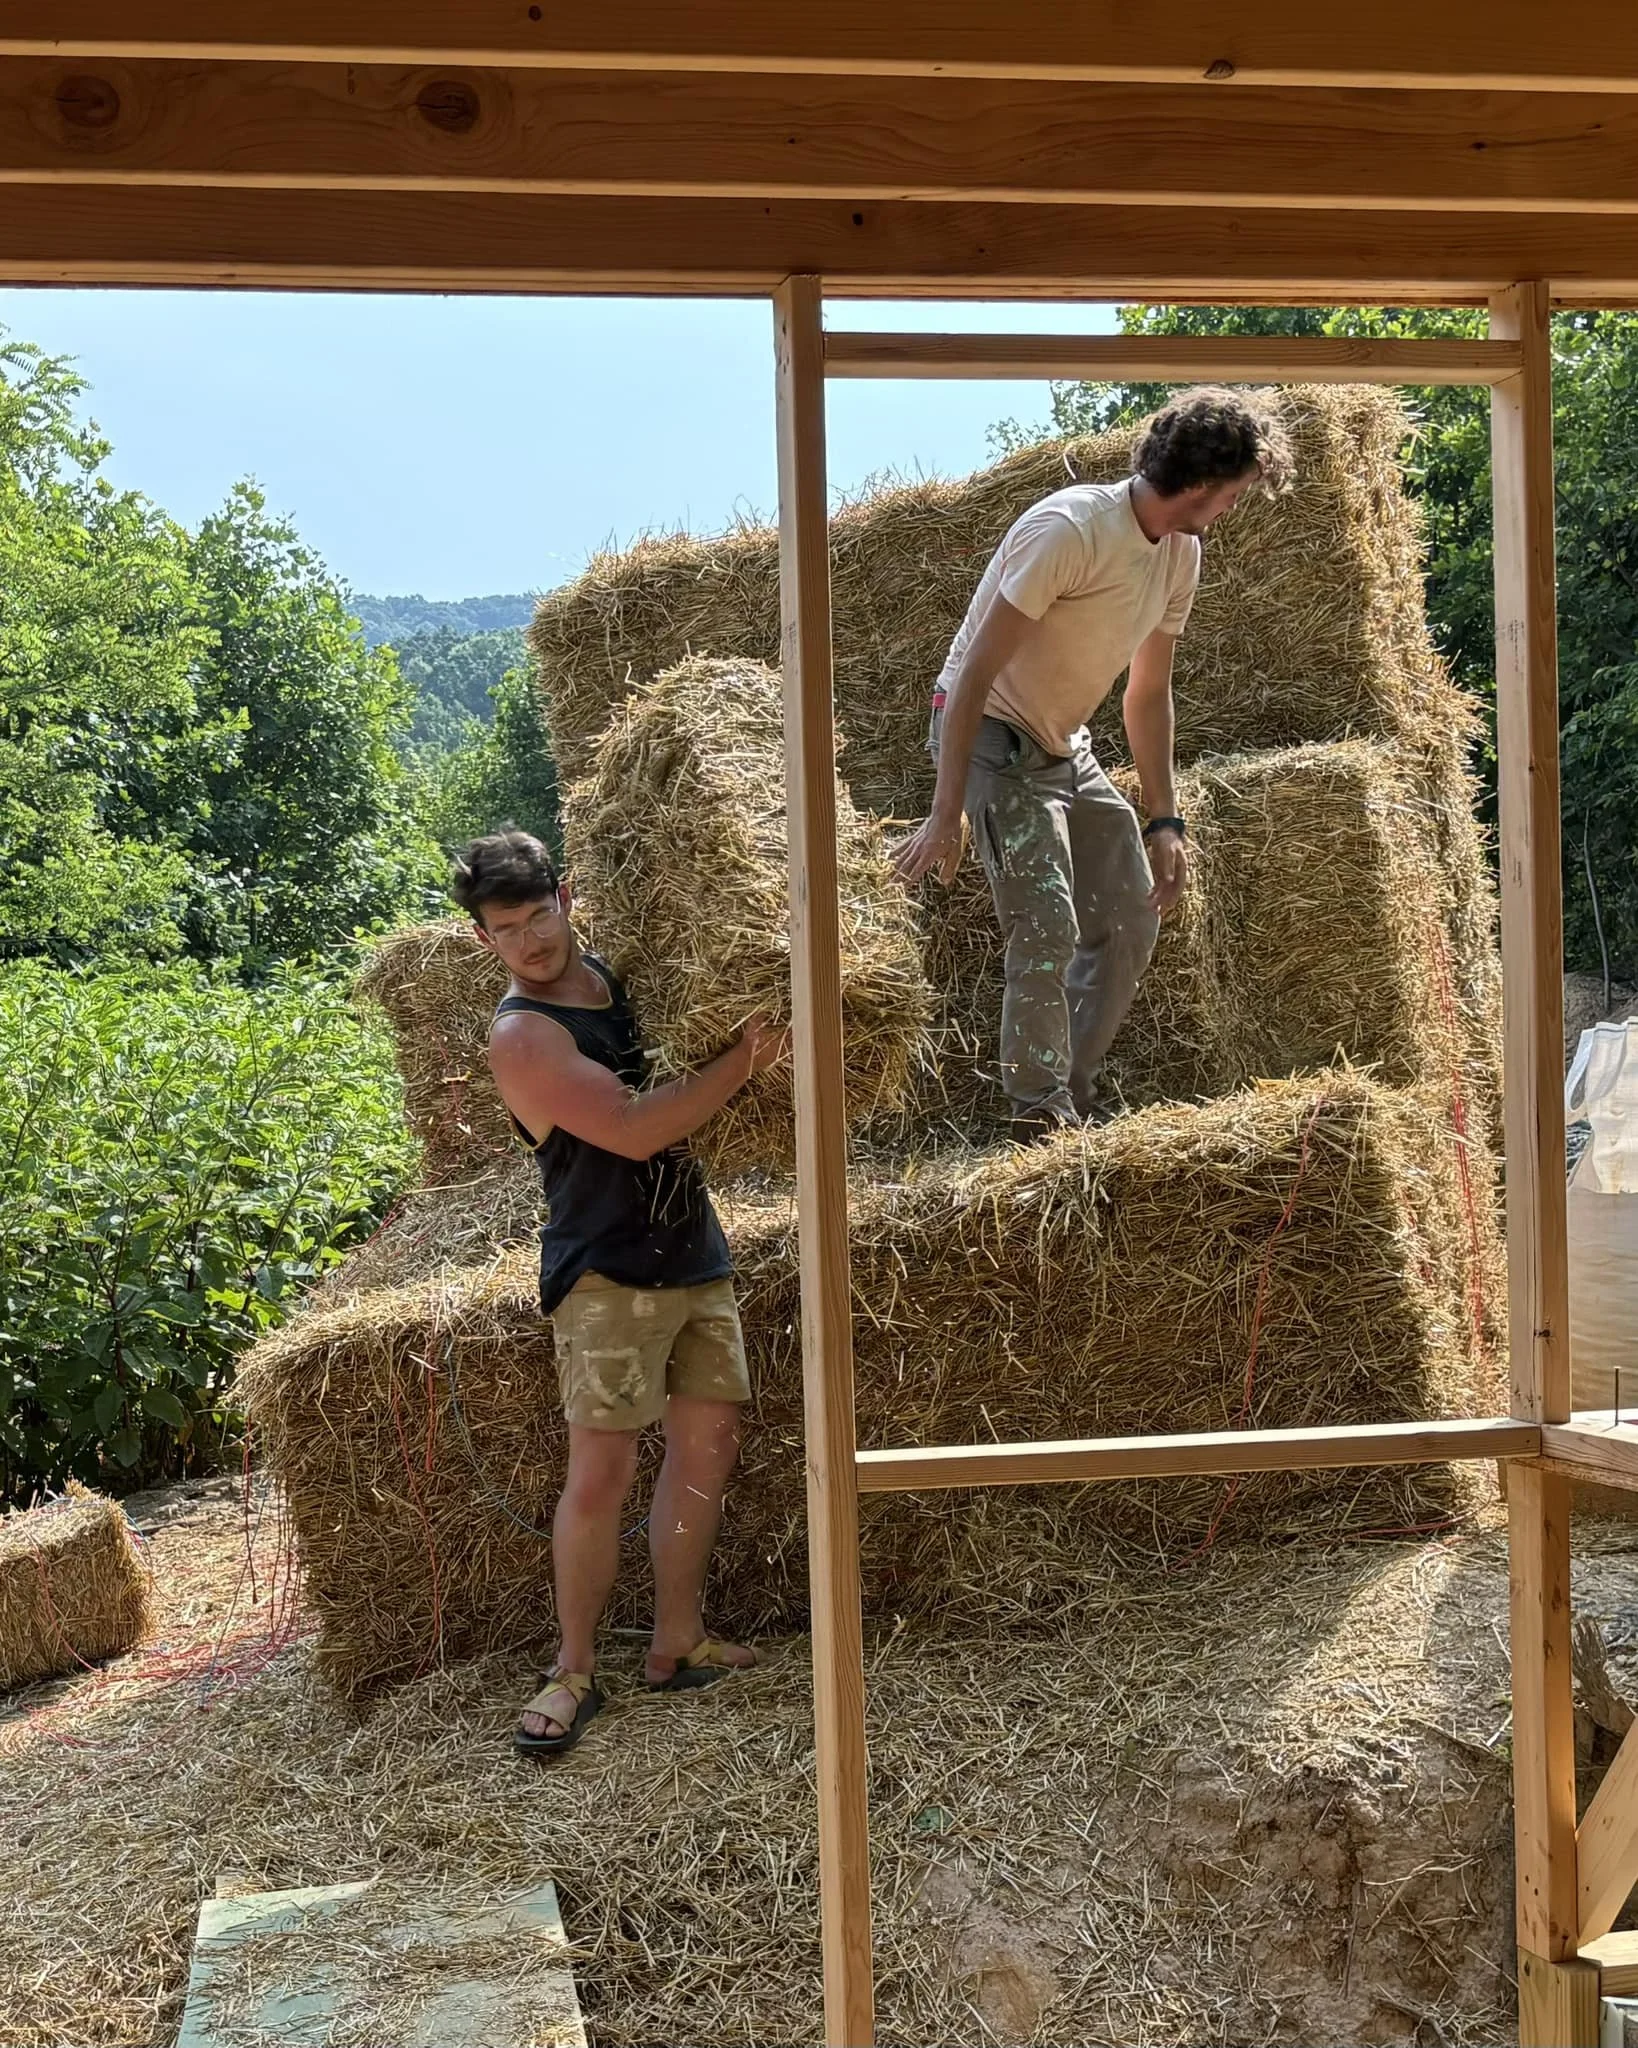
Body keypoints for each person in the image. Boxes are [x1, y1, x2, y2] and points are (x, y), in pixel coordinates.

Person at [450, 826, 786, 1759]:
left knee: (707, 1451)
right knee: (600, 1476)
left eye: (537, 916)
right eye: (506, 930)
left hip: (694, 1251)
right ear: (482, 939)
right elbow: (635, 1128)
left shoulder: (610, 977)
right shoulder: (523, 1035)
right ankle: (573, 1670)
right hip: (604, 1274)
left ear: (565, 897)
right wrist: (743, 1061)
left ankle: (678, 1642)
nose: (529, 942)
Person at [895, 387, 1294, 1141]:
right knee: (1045, 922)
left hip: (1063, 747)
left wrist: (1165, 820)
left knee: (1132, 914)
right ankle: (1037, 1115)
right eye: (1236, 493)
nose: (1235, 508)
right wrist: (946, 814)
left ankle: (1064, 1105)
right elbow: (971, 676)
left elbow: (1148, 693)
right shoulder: (1071, 529)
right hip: (992, 735)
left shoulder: (1181, 555)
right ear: (1204, 483)